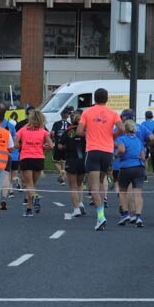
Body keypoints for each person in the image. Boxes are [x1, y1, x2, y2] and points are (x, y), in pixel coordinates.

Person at [76, 88, 125, 231]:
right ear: (107, 99)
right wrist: (113, 136)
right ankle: (101, 213)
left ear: (94, 99)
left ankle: (101, 217)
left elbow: (79, 131)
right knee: (101, 182)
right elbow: (122, 128)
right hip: (107, 151)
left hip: (93, 150)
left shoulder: (87, 112)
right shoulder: (113, 113)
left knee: (93, 187)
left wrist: (89, 134)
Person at [14, 109, 53, 217]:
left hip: (26, 158)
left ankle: (34, 198)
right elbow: (51, 146)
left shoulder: (23, 130)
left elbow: (15, 143)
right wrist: (42, 146)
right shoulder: (43, 131)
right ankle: (29, 208)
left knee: (29, 184)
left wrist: (22, 146)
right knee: (32, 185)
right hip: (38, 158)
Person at [115, 119, 147, 227]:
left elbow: (122, 150)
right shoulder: (138, 141)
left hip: (126, 167)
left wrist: (116, 156)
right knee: (138, 193)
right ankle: (138, 216)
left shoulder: (122, 139)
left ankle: (125, 214)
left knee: (123, 191)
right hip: (138, 166)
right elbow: (143, 156)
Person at [62, 111, 88, 217]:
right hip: (83, 160)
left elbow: (59, 146)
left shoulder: (68, 131)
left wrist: (66, 148)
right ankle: (80, 201)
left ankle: (76, 208)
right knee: (80, 184)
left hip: (71, 159)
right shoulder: (85, 131)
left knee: (72, 186)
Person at [50, 108, 72, 185]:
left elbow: (52, 133)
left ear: (61, 115)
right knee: (64, 161)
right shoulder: (69, 125)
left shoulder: (56, 124)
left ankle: (61, 172)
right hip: (66, 145)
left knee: (55, 161)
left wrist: (53, 139)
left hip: (58, 144)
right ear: (68, 116)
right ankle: (62, 179)